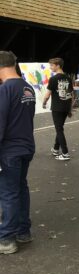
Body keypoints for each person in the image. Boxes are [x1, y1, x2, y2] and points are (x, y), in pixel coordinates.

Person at [0, 51, 36, 254]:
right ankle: (23, 231)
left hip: (9, 151)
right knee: (20, 188)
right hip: (26, 146)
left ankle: (6, 239)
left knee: (8, 193)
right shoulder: (26, 87)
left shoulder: (5, 90)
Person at [43, 57, 74, 161]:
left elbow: (47, 94)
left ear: (58, 66)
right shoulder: (68, 78)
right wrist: (70, 109)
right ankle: (56, 149)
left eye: (52, 65)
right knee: (59, 127)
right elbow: (72, 95)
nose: (50, 67)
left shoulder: (53, 79)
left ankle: (65, 153)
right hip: (66, 106)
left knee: (59, 129)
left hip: (57, 107)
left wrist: (44, 102)